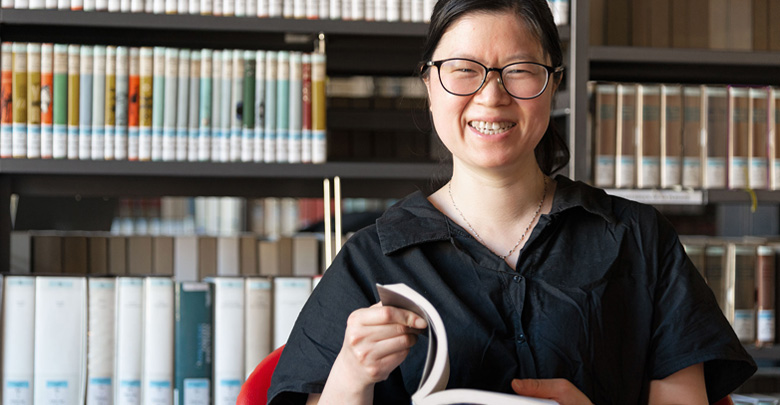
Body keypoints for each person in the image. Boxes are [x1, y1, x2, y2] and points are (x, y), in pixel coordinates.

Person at [268, 0, 757, 403]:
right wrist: (351, 375)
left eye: (519, 71)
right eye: (464, 71)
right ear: (429, 86)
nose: (491, 96)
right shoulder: (370, 259)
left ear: (554, 84)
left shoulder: (639, 239)